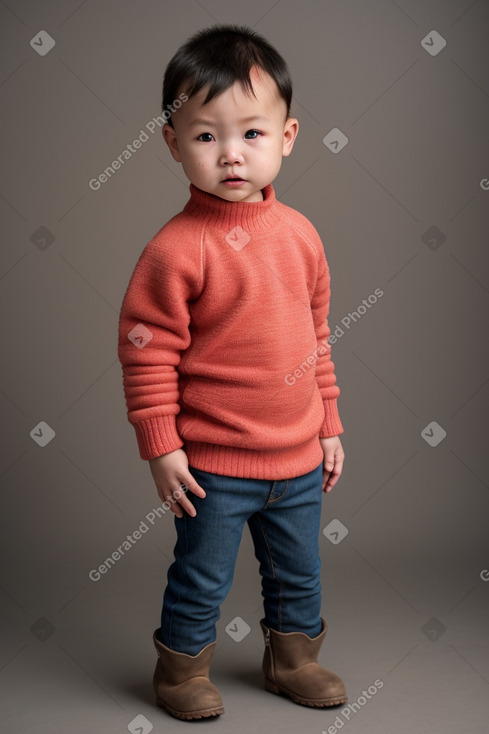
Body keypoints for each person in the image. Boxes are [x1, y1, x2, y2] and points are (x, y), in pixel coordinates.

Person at [117, 23, 348, 722]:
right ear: (171, 141)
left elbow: (316, 340)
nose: (230, 155)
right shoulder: (175, 250)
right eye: (206, 135)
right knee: (201, 576)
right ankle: (181, 671)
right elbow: (146, 349)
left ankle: (292, 661)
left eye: (251, 133)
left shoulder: (301, 235)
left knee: (298, 574)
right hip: (214, 467)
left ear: (287, 136)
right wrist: (161, 444)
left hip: (298, 456)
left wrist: (329, 425)